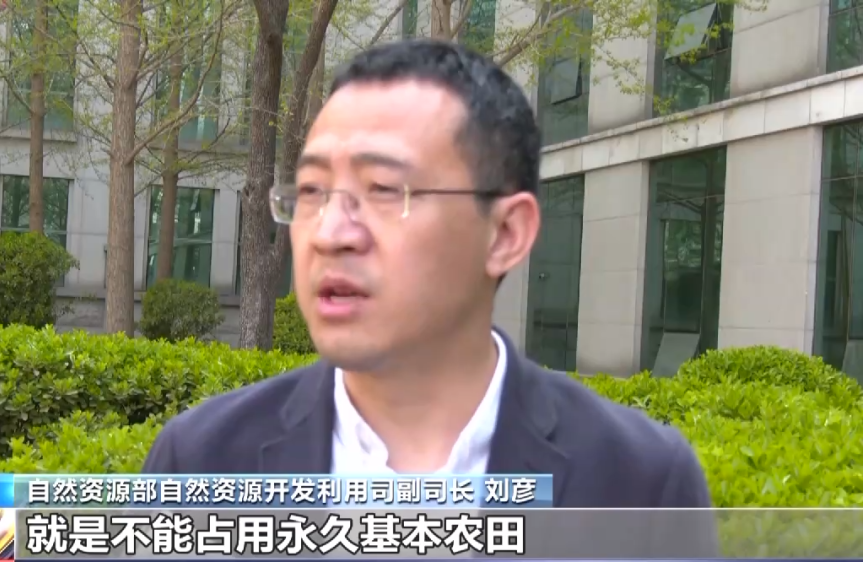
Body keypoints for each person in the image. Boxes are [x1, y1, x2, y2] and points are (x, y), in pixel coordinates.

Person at [142, 39, 712, 512]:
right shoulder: (199, 462)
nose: (329, 233)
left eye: (383, 190)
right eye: (312, 191)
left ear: (506, 233)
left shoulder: (639, 483)